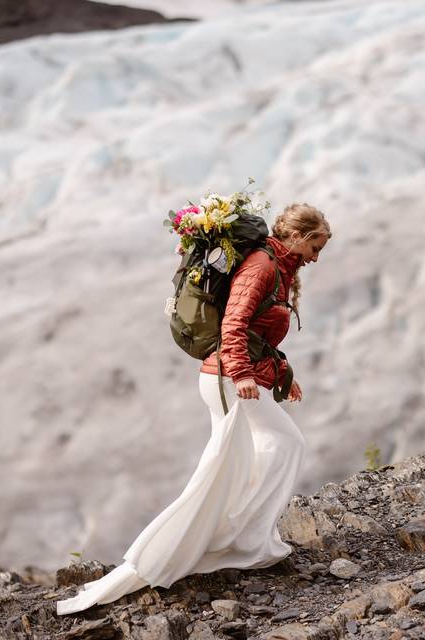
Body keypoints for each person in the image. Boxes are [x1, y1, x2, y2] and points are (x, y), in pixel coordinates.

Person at [57, 203, 331, 614]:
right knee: (270, 449)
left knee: (250, 456)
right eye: (316, 245)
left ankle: (239, 538)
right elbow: (234, 325)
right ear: (297, 236)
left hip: (233, 376)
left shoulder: (278, 268)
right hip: (227, 378)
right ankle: (210, 546)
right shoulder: (263, 266)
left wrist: (282, 376)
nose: (317, 256)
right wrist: (240, 374)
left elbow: (260, 336)